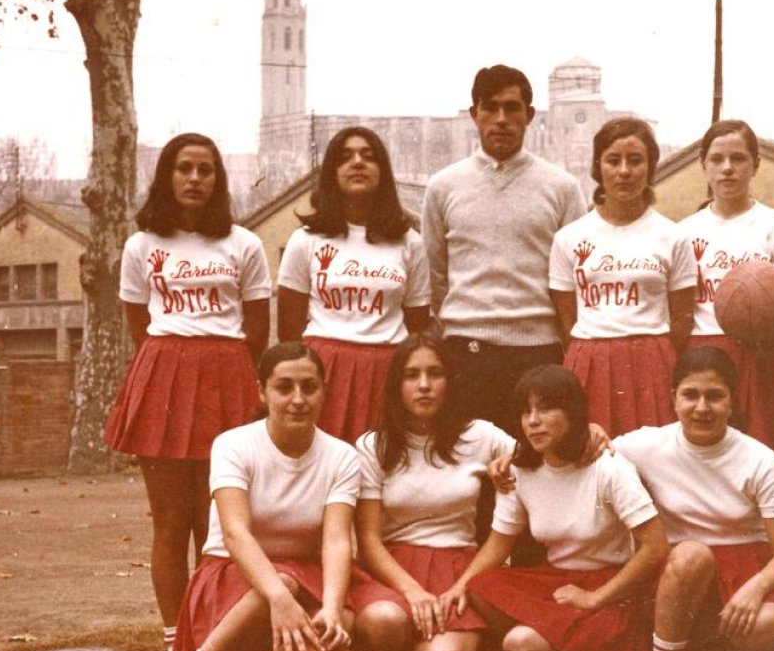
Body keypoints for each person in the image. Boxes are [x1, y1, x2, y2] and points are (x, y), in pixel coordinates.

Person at [104, 132, 271, 651]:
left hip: (226, 374)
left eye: (206, 170)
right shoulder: (142, 245)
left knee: (217, 522)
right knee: (172, 522)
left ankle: (213, 635)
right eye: (184, 169)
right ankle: (175, 637)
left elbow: (258, 325)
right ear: (167, 177)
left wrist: (221, 366)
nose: (195, 179)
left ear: (218, 180)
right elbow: (138, 320)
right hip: (165, 376)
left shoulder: (242, 243)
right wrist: (171, 364)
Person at [451, 365, 669, 651]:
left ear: (572, 411)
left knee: (521, 643)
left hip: (609, 588)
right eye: (526, 412)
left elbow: (655, 546)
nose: (533, 421)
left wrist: (595, 599)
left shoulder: (608, 467)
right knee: (479, 586)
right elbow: (499, 542)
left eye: (545, 408)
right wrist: (458, 587)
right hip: (555, 585)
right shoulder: (519, 469)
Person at [614, 347, 774, 651]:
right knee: (691, 555)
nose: (702, 408)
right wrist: (594, 434)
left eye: (715, 396)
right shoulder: (645, 445)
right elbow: (589, 453)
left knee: (768, 623)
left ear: (732, 401)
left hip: (745, 569)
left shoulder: (761, 460)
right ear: (673, 398)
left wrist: (755, 589)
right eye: (690, 395)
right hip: (679, 575)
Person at [172, 342, 365, 651]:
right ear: (262, 392)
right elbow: (235, 533)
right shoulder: (233, 445)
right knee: (285, 583)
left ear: (324, 391)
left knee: (337, 645)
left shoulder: (342, 456)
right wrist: (279, 597)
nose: (298, 400)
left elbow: (336, 540)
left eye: (310, 387)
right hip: (234, 575)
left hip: (306, 577)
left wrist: (331, 609)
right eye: (284, 388)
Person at [422, 63, 585, 435]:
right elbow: (435, 273)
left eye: (512, 108)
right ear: (473, 114)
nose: (500, 119)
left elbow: (575, 275)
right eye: (490, 107)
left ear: (529, 116)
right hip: (466, 354)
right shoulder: (443, 186)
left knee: (536, 465)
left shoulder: (562, 187)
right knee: (471, 468)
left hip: (538, 353)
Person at [351, 332, 516, 651]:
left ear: (449, 381)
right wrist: (412, 591)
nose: (424, 385)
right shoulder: (373, 445)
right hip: (393, 573)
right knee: (382, 621)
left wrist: (591, 434)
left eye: (435, 374)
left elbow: (543, 453)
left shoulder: (479, 435)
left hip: (459, 570)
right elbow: (368, 540)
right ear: (397, 385)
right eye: (411, 375)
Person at [278, 126, 431, 444]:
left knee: (381, 469)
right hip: (324, 369)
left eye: (368, 156)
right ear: (331, 173)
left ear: (383, 172)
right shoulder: (305, 240)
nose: (357, 163)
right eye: (345, 157)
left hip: (387, 370)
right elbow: (289, 329)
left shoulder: (409, 242)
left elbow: (416, 323)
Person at [550, 117, 696, 435]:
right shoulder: (569, 238)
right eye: (613, 160)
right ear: (598, 167)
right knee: (593, 461)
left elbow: (682, 318)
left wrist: (651, 352)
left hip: (653, 362)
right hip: (590, 360)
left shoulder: (673, 236)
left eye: (635, 160)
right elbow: (566, 320)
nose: (624, 171)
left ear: (651, 167)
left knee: (654, 462)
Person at [678, 120, 774, 456]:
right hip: (702, 353)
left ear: (756, 164)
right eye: (717, 159)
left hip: (758, 354)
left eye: (739, 158)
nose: (727, 169)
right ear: (703, 165)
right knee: (701, 459)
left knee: (758, 458)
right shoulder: (683, 232)